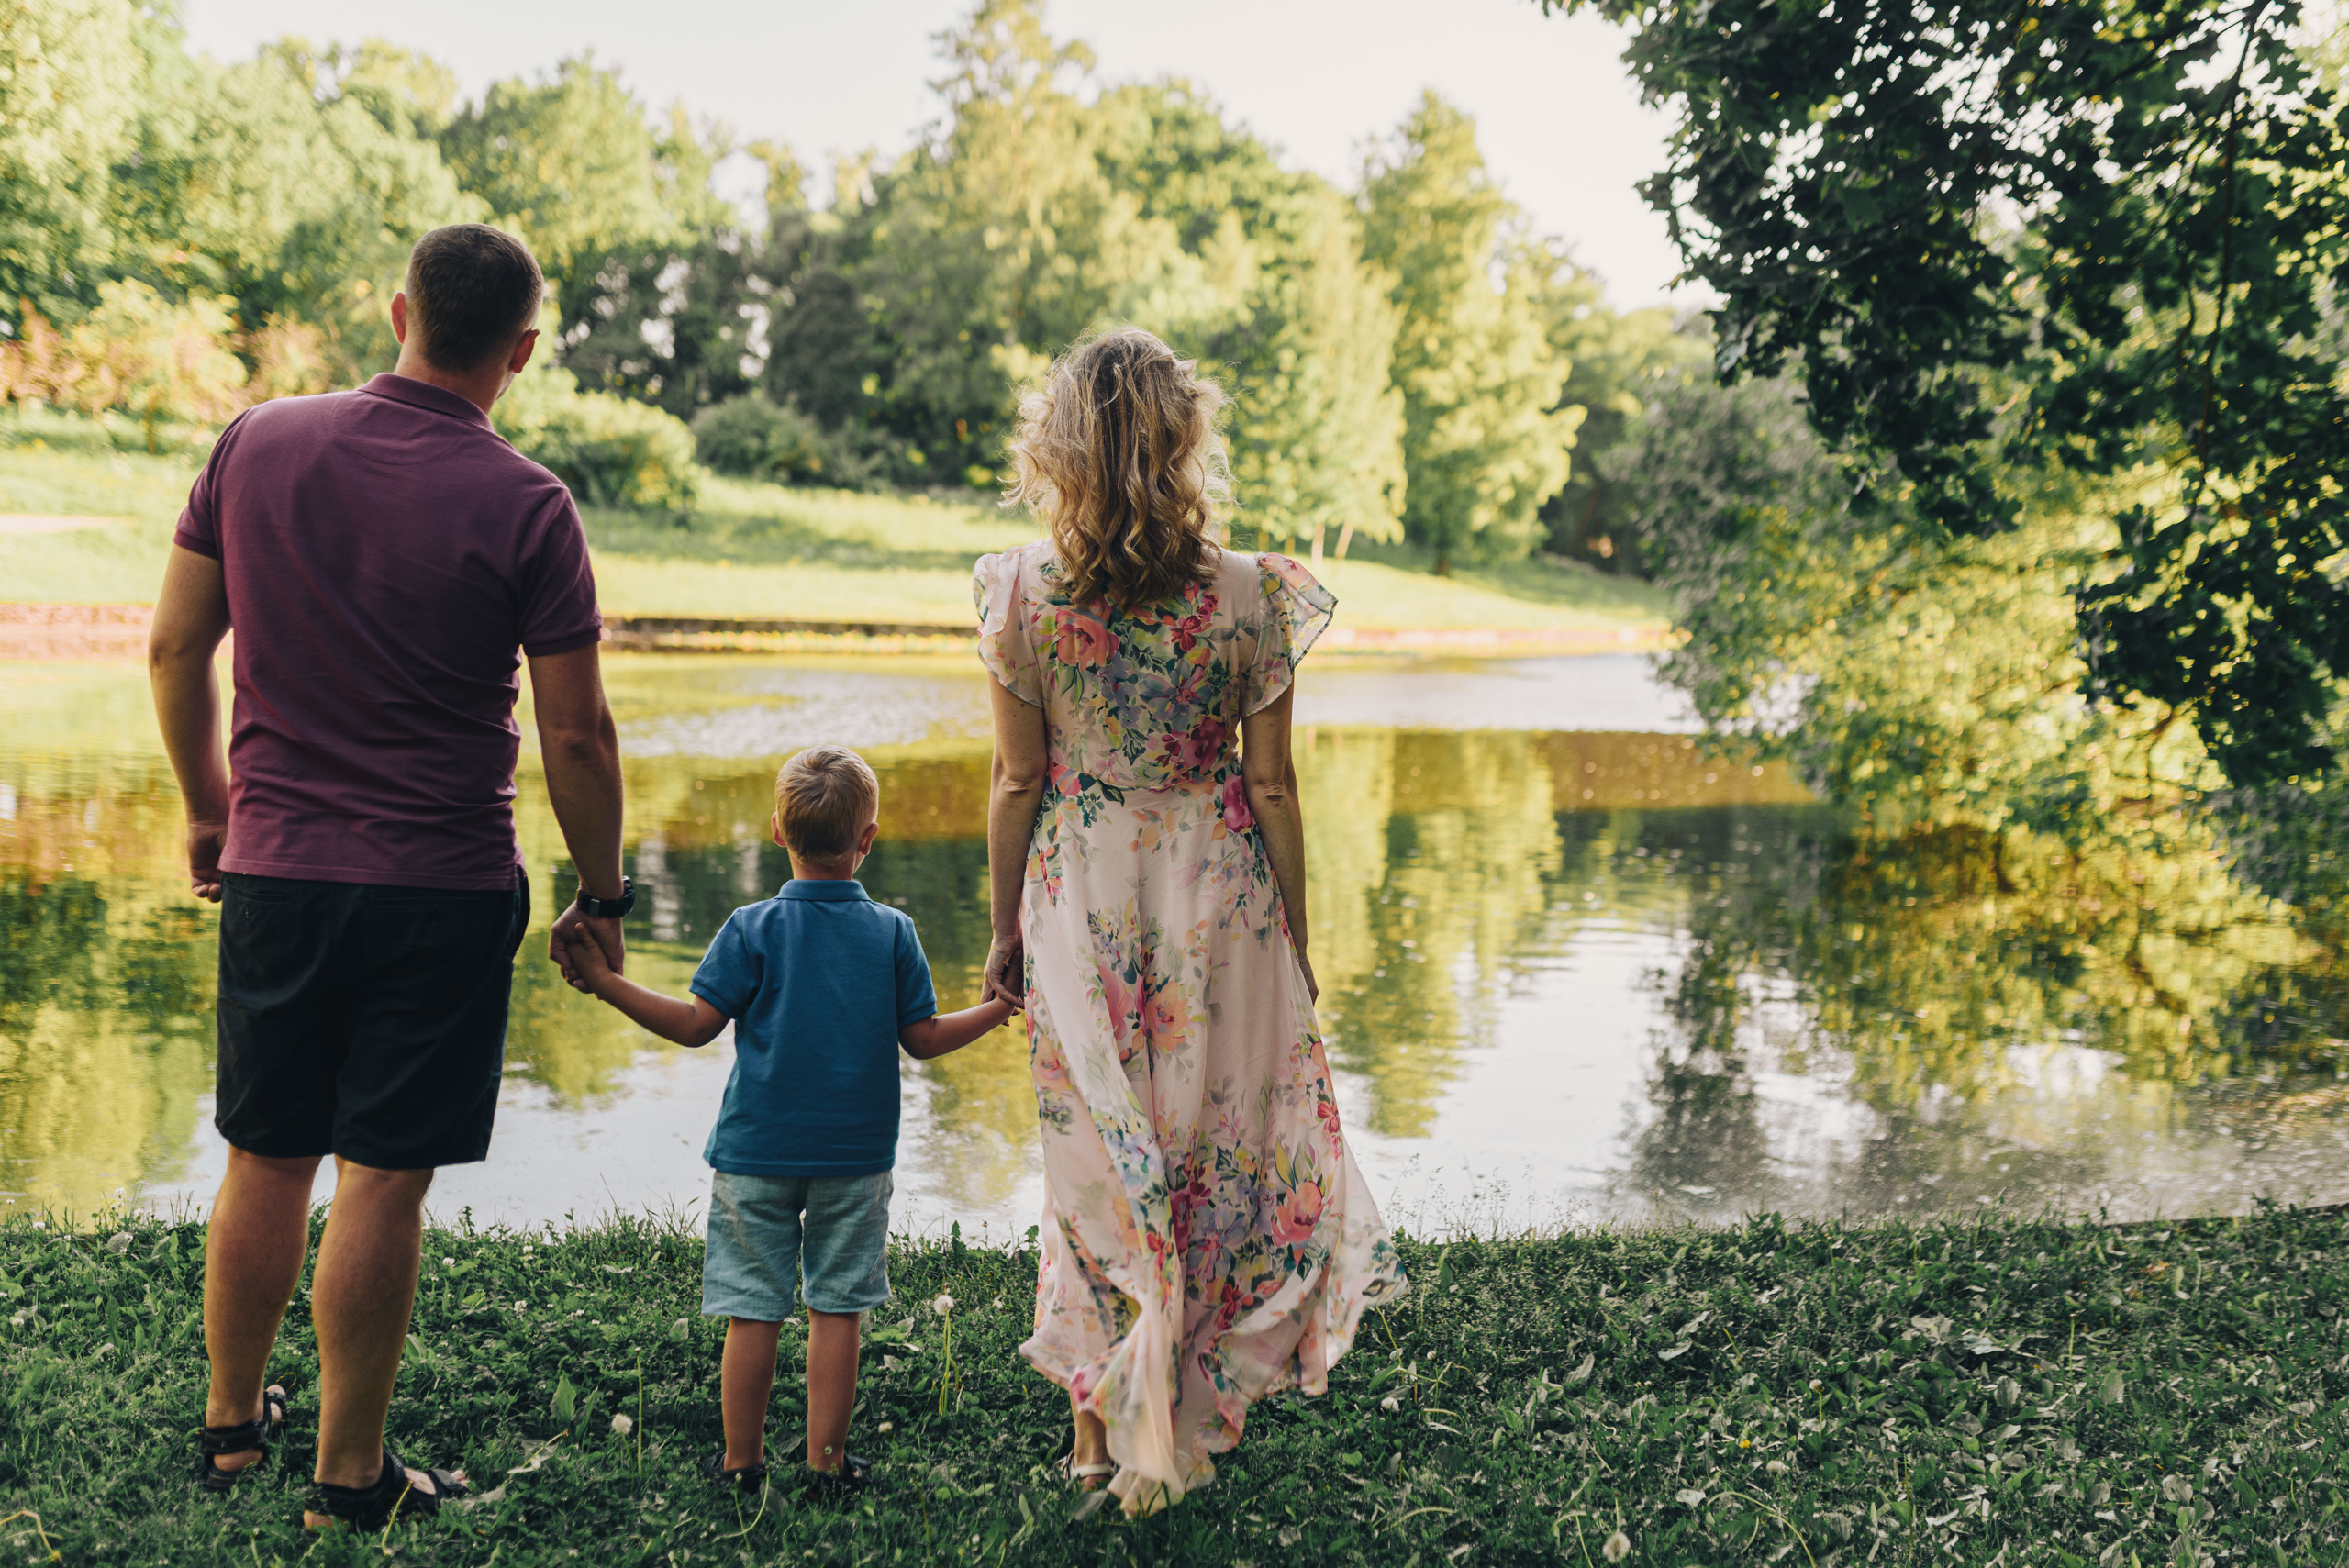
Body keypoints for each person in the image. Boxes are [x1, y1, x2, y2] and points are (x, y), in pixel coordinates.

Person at [149, 223, 633, 1531]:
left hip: (280, 868)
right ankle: (347, 1477)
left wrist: (210, 812)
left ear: (398, 311)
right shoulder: (532, 502)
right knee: (381, 1178)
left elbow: (172, 649)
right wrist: (605, 891)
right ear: (521, 352)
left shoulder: (256, 443)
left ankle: (232, 1431)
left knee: (264, 1153)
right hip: (440, 883)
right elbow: (579, 736)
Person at [971, 326, 1408, 1515]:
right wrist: (1300, 937)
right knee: (1207, 1151)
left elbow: (1018, 782)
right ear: (1184, 447)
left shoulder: (1019, 590)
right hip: (1219, 899)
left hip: (1083, 900)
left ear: (1058, 450)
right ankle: (1179, 1395)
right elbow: (1272, 785)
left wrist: (1004, 931)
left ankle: (1093, 1437)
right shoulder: (1252, 595)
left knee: (1098, 1157)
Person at [556, 744, 1014, 1496]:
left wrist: (607, 982)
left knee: (751, 1309)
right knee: (837, 1308)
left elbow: (697, 1023)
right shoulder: (894, 932)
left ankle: (741, 1463)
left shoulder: (750, 926)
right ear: (867, 839)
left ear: (777, 830)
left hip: (755, 1154)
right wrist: (997, 1008)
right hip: (855, 1157)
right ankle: (826, 1464)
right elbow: (924, 1039)